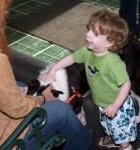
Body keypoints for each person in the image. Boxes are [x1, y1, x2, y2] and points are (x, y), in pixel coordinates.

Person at [0, 0, 92, 150]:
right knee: (60, 110)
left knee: (21, 85)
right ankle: (85, 142)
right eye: (5, 8)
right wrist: (43, 98)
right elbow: (17, 110)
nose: (7, 13)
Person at [40, 9, 137, 150]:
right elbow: (71, 58)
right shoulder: (87, 51)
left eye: (95, 34)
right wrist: (54, 68)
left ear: (110, 42)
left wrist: (115, 106)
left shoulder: (113, 63)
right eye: (89, 30)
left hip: (118, 105)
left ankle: (125, 146)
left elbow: (126, 85)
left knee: (121, 133)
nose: (87, 34)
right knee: (108, 126)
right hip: (102, 103)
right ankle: (116, 136)